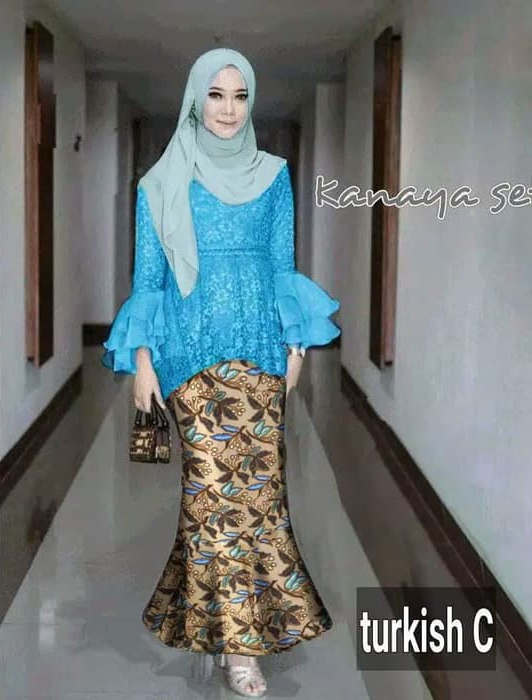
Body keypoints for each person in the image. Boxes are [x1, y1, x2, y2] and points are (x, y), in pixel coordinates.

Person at [101, 47, 341, 698]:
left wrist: (296, 346)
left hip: (261, 353)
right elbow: (148, 281)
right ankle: (239, 646)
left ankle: (231, 632)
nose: (228, 109)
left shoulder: (275, 175)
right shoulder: (159, 183)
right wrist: (143, 362)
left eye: (240, 95)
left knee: (260, 495)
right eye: (215, 94)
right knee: (210, 493)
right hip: (187, 355)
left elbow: (282, 265)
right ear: (195, 100)